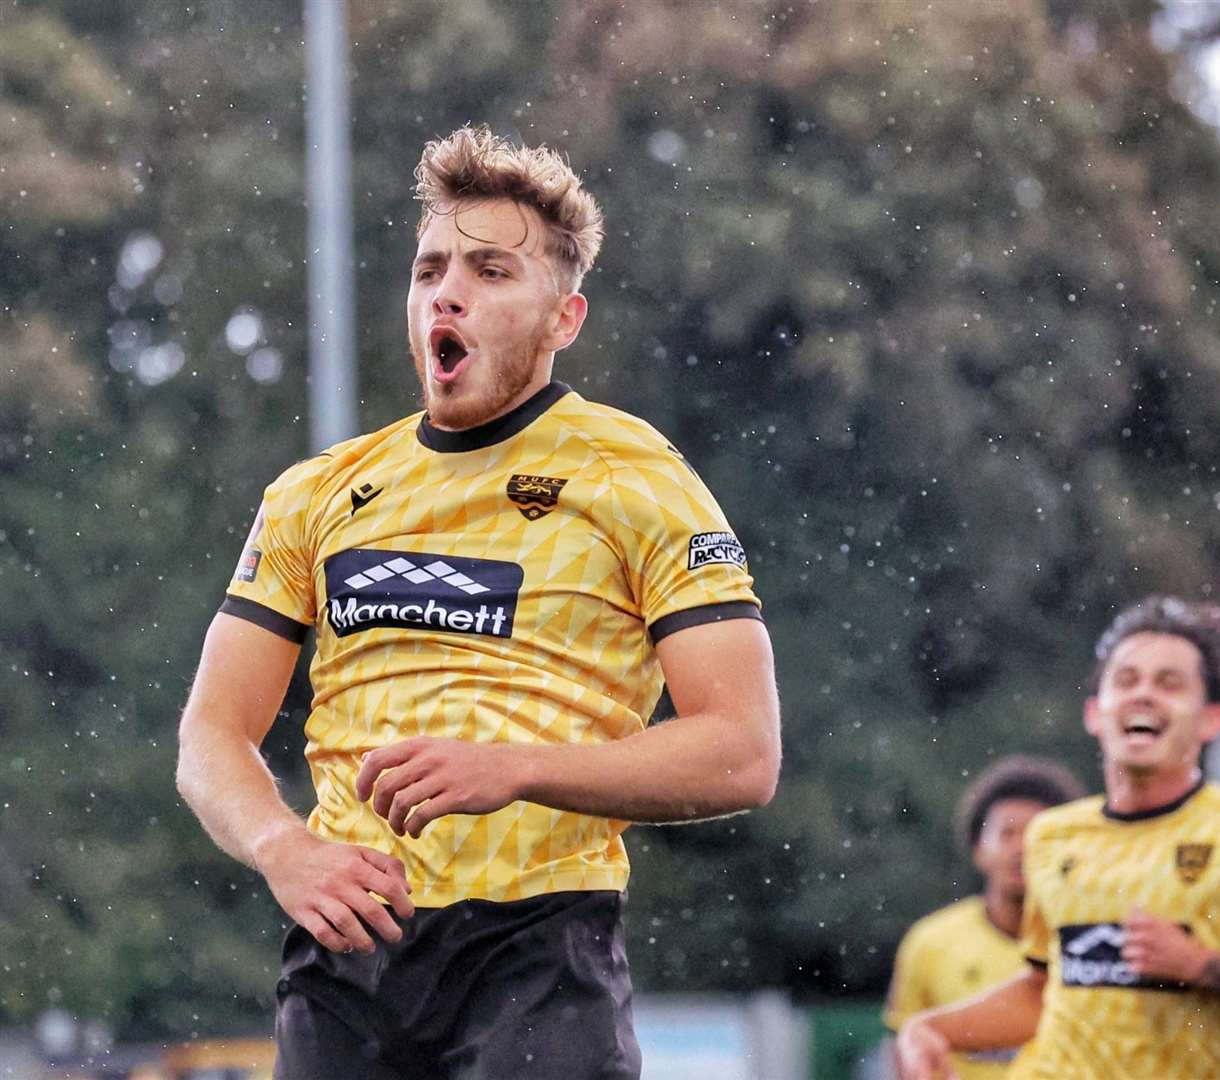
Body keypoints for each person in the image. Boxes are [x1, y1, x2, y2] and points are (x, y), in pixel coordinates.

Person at [175, 125, 781, 1080]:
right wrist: (281, 849)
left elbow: (743, 753)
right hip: (345, 958)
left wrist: (516, 767)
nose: (447, 290)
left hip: (536, 956)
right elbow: (211, 733)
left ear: (563, 318)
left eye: (492, 270)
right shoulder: (314, 492)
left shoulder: (640, 476)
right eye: (429, 270)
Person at [897, 595, 1220, 1080]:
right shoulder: (1054, 835)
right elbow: (1042, 992)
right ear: (1096, 713)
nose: (1144, 695)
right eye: (1127, 679)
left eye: (1169, 683)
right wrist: (931, 1029)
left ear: (1210, 719)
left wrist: (1202, 967)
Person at [884, 757, 1084, 1080]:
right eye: (1008, 834)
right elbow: (903, 1045)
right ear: (979, 848)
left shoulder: (1090, 940)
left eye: (1037, 835)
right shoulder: (930, 942)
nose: (1022, 849)